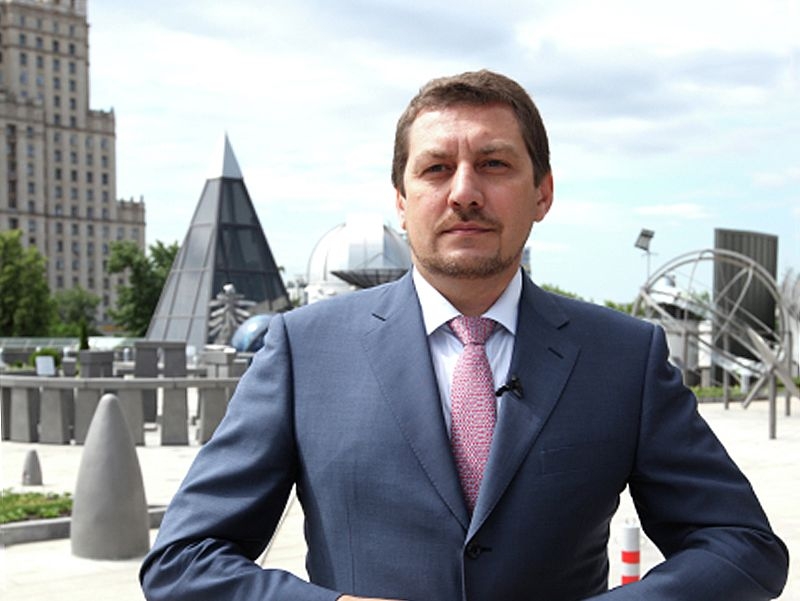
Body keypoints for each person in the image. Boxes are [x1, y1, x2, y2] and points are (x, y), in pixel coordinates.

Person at [140, 70, 788, 600]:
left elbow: (743, 545)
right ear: (400, 200)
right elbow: (182, 559)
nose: (464, 192)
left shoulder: (624, 357)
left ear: (543, 193)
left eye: (494, 164)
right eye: (435, 168)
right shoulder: (302, 351)